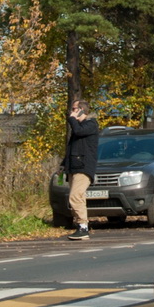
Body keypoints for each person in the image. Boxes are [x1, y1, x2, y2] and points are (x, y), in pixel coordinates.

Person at [62, 99, 100, 239]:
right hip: (75, 167)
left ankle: (83, 227)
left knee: (75, 196)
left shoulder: (90, 125)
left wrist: (72, 119)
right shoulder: (79, 127)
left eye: (74, 109)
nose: (71, 112)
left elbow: (78, 131)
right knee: (79, 198)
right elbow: (73, 147)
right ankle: (81, 226)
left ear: (81, 110)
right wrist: (63, 164)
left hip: (84, 167)